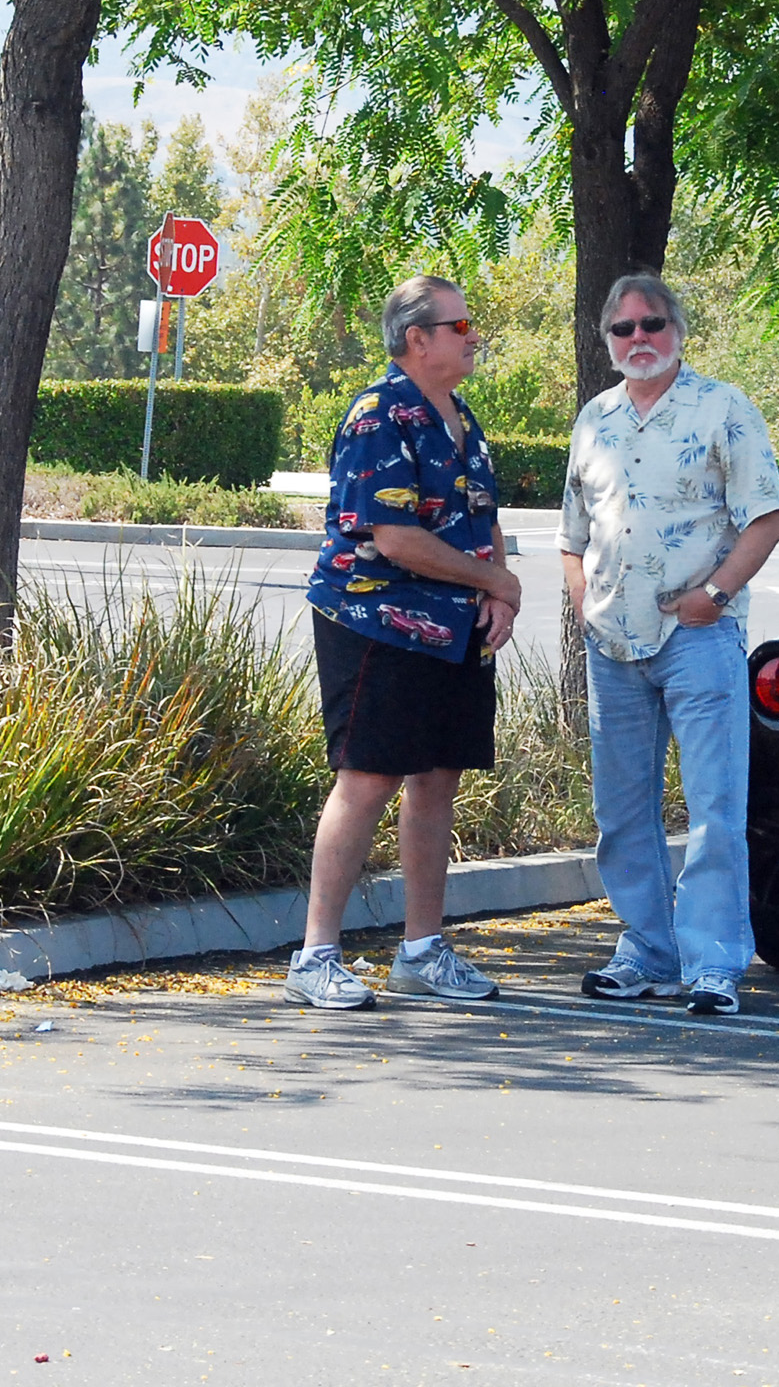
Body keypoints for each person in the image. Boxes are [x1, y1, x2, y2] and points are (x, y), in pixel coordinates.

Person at [284, 275, 521, 1011]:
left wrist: (497, 587)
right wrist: (496, 584)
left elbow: (483, 518)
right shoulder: (378, 414)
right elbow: (394, 537)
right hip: (375, 622)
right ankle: (316, 955)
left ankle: (422, 949)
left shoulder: (460, 417)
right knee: (367, 780)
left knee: (438, 779)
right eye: (461, 324)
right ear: (417, 338)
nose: (473, 335)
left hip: (454, 634)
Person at [562, 272, 779, 1016]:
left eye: (652, 325)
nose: (638, 341)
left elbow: (767, 518)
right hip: (612, 641)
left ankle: (714, 963)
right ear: (606, 342)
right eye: (622, 330)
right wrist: (581, 603)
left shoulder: (725, 409)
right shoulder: (595, 419)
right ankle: (647, 951)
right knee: (622, 811)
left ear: (678, 330)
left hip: (698, 635)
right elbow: (572, 536)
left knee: (715, 807)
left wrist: (714, 595)